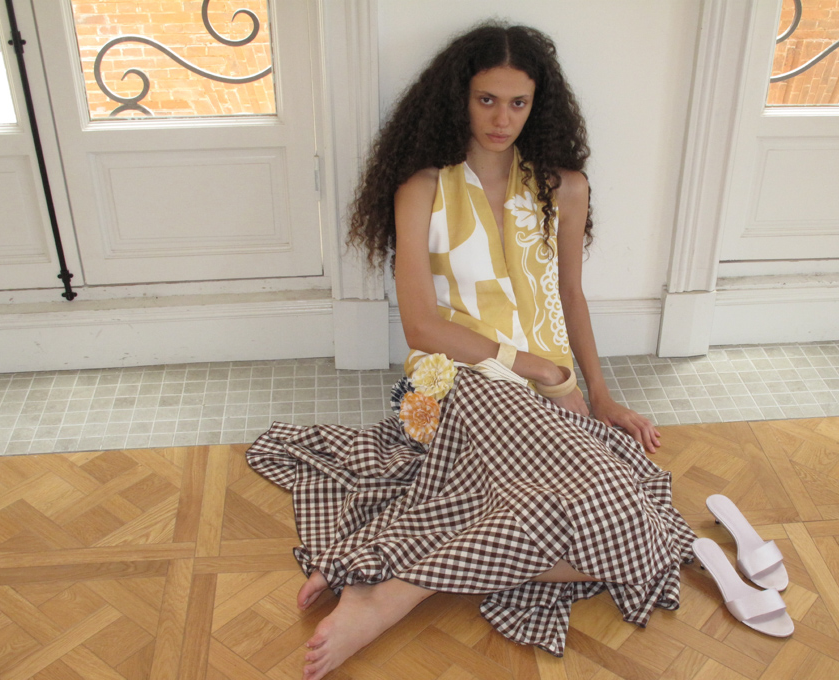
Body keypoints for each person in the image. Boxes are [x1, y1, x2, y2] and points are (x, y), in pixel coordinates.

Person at [246, 23, 695, 680]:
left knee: (633, 531)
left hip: (551, 397)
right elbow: (421, 326)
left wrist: (601, 396)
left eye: (517, 103)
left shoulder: (565, 187)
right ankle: (389, 601)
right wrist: (532, 367)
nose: (501, 119)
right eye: (487, 99)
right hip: (449, 383)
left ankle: (402, 579)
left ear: (538, 105)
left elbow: (570, 294)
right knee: (598, 520)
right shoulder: (422, 189)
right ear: (460, 97)